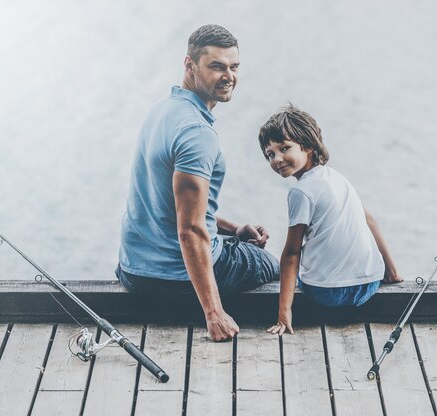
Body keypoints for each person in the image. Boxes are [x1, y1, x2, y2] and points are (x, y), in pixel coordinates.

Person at [117, 25, 279, 341]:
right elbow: (190, 230)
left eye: (234, 67)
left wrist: (232, 230)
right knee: (271, 264)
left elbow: (167, 203)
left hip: (133, 271)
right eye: (217, 66)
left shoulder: (161, 111)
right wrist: (213, 313)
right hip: (174, 279)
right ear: (190, 65)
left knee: (236, 243)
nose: (228, 76)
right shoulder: (197, 133)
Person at [259, 104, 404, 336]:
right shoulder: (338, 178)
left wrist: (283, 313)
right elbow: (369, 220)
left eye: (285, 148)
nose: (277, 159)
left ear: (308, 146)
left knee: (282, 263)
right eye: (270, 154)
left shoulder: (300, 192)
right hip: (368, 285)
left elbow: (292, 254)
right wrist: (392, 271)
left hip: (327, 293)